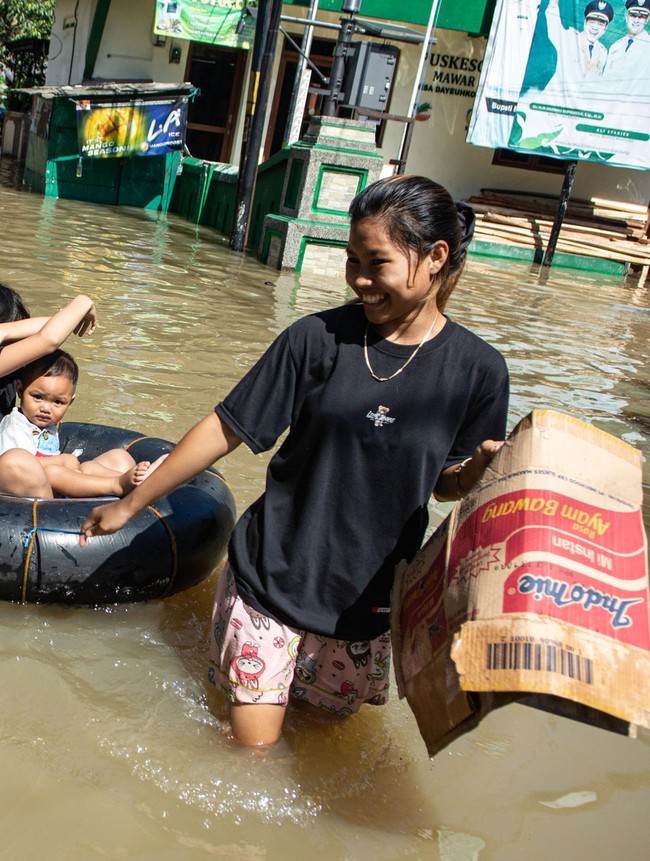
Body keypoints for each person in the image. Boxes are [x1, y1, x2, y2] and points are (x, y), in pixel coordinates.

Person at [80, 175, 510, 748]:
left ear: (435, 258)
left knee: (318, 747)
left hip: (368, 599)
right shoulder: (317, 339)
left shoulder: (479, 371)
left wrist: (478, 474)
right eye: (350, 260)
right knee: (251, 755)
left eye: (375, 263)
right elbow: (225, 428)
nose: (358, 280)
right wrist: (132, 503)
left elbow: (446, 486)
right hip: (273, 574)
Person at [0, 349, 155, 498]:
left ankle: (142, 482)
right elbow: (17, 465)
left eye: (58, 402)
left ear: (70, 401)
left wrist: (69, 466)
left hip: (58, 483)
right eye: (38, 397)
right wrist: (61, 461)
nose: (46, 408)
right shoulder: (15, 425)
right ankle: (117, 484)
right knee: (54, 472)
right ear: (20, 390)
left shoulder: (45, 424)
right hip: (31, 492)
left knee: (117, 457)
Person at [0, 285, 100, 497]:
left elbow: (49, 329)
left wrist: (7, 331)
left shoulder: (10, 367)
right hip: (12, 466)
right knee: (18, 462)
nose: (24, 346)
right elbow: (49, 339)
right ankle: (60, 515)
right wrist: (83, 301)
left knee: (117, 458)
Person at [604, 1, 650, 94]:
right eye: (633, 15)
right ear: (626, 17)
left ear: (647, 20)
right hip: (612, 104)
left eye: (641, 17)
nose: (636, 20)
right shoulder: (615, 47)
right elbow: (605, 81)